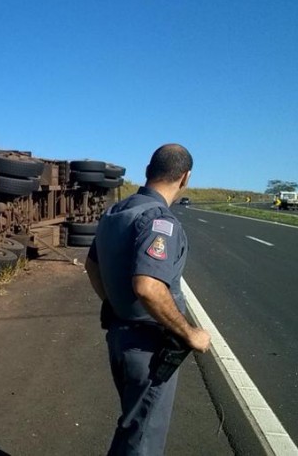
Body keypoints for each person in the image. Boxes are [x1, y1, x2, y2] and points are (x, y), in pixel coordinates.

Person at [85, 144, 211, 455]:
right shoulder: (159, 221)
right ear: (185, 178)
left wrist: (114, 303)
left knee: (132, 425)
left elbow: (92, 265)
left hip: (119, 336)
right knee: (143, 437)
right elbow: (148, 286)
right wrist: (189, 332)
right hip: (148, 348)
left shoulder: (116, 211)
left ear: (147, 170)